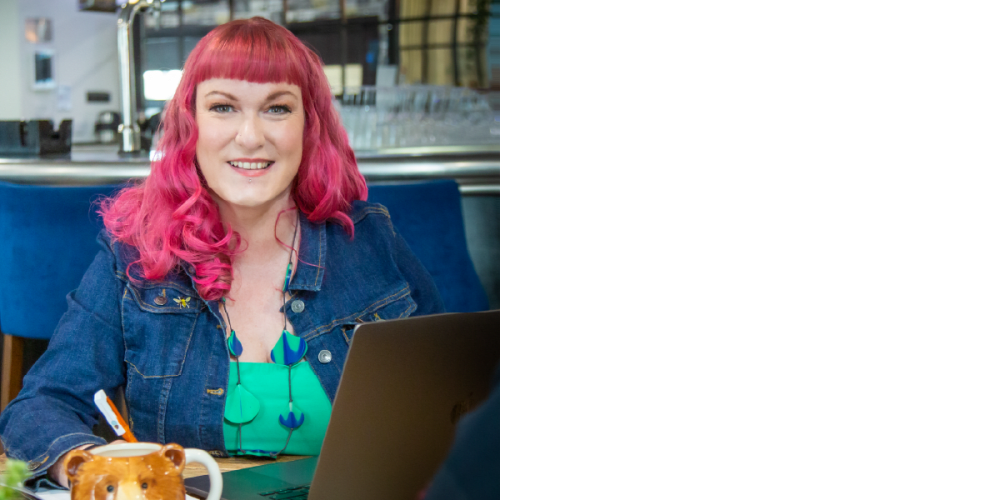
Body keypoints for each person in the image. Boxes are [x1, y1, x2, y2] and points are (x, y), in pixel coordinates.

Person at [0, 17, 443, 487]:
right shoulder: (132, 254)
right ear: (191, 123)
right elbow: (41, 407)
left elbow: (453, 392)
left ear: (308, 126)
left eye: (277, 108)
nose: (250, 136)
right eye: (224, 107)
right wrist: (95, 472)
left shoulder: (371, 240)